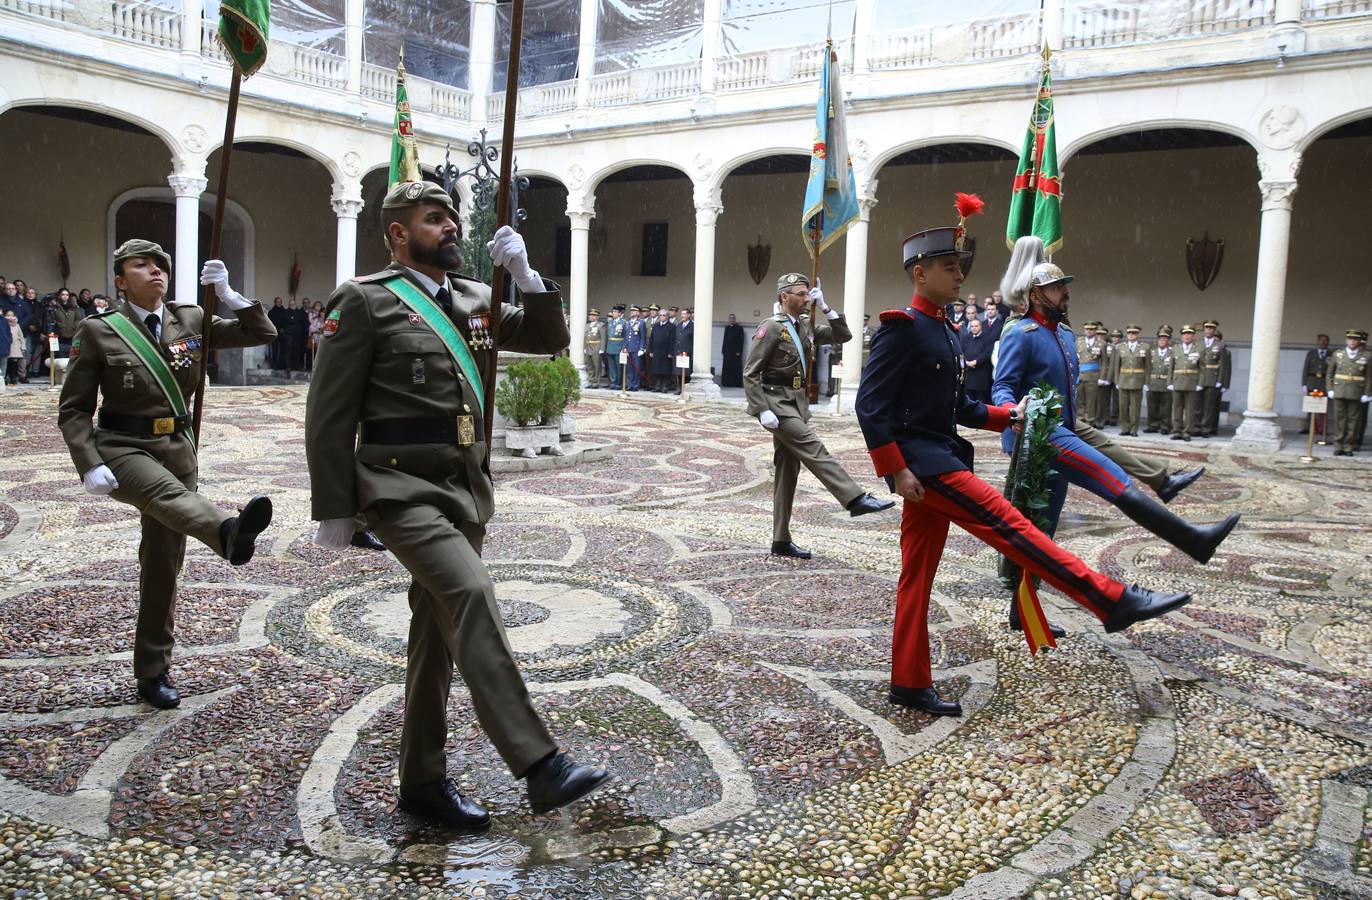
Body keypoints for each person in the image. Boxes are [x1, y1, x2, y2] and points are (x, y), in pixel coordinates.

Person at [305, 180, 608, 829]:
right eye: (433, 218)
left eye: (451, 218)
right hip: (397, 489)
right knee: (470, 594)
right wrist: (334, 506)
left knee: (434, 640)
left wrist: (525, 274)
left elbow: (546, 336)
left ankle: (421, 782)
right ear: (397, 233)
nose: (448, 228)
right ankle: (539, 764)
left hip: (463, 491)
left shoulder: (476, 299)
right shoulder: (364, 300)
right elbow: (328, 412)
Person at [857, 216, 1192, 717]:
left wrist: (1007, 414)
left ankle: (908, 680)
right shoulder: (901, 330)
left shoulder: (945, 331)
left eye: (960, 267)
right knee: (1013, 527)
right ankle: (1109, 599)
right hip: (926, 468)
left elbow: (958, 408)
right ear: (919, 273)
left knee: (916, 577)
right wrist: (895, 469)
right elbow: (871, 405)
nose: (959, 276)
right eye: (950, 268)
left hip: (938, 458)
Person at [57, 240, 276, 710]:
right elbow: (74, 409)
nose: (156, 271)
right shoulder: (100, 331)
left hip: (178, 448)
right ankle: (227, 530)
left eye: (161, 265)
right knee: (164, 496)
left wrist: (233, 296)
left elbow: (261, 333)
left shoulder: (192, 319)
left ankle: (152, 672)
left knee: (161, 566)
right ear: (120, 280)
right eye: (142, 265)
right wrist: (88, 460)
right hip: (122, 447)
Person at [993, 261, 1239, 602]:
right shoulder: (1021, 335)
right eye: (1056, 287)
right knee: (1113, 479)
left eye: (1065, 286)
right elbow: (1003, 385)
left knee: (1042, 529)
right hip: (1042, 436)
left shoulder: (1064, 333)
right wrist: (1011, 413)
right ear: (1035, 295)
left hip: (1065, 427)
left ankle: (1022, 611)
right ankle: (1194, 539)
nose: (1065, 292)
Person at [745, 272, 892, 558]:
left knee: (788, 472)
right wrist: (762, 409)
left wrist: (825, 306)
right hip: (777, 405)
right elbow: (750, 373)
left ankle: (780, 539)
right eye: (801, 294)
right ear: (784, 296)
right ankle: (855, 499)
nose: (805, 298)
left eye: (808, 293)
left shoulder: (803, 325)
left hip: (796, 405)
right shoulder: (772, 328)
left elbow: (843, 336)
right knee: (815, 448)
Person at [1327, 328, 1370, 456]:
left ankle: (1348, 446)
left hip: (1356, 392)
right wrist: (1329, 389)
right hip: (1339, 390)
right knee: (1339, 419)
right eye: (1350, 339)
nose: (1352, 342)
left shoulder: (1366, 356)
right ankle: (1338, 445)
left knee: (1353, 420)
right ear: (1346, 340)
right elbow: (1330, 373)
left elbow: (1369, 377)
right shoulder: (1338, 354)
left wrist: (1367, 393)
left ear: (1359, 342)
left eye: (1355, 339)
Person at [1196, 319, 1231, 438]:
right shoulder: (1198, 344)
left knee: (1208, 406)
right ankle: (1196, 427)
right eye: (1207, 328)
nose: (1209, 330)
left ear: (1214, 330)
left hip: (1212, 378)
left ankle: (1206, 428)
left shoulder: (1220, 345)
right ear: (1204, 329)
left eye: (1211, 328)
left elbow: (1223, 365)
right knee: (1197, 405)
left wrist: (1221, 381)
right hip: (1199, 378)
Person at [1169, 325, 1203, 441]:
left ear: (1193, 336)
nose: (1187, 336)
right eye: (1185, 334)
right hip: (1177, 381)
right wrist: (1170, 381)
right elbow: (1171, 367)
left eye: (1189, 334)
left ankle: (1187, 432)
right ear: (1182, 336)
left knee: (1190, 410)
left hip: (1191, 382)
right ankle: (1177, 431)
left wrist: (1200, 383)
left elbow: (1202, 368)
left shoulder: (1199, 348)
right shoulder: (1175, 348)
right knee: (1177, 408)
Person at [1114, 324, 1149, 436]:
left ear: (1137, 334)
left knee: (1135, 408)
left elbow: (1148, 366)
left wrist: (1146, 382)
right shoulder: (1120, 347)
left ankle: (1134, 429)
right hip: (1123, 379)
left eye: (1134, 333)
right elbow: (1116, 366)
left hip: (1137, 381)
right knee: (1123, 407)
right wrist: (1117, 380)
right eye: (1129, 333)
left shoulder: (1145, 347)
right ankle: (1124, 428)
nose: (1131, 335)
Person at [1301, 334, 1332, 438]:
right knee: (1311, 406)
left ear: (1328, 342)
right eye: (1321, 340)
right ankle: (1310, 428)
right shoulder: (1311, 353)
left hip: (1324, 383)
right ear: (1317, 342)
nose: (1323, 342)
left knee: (1324, 408)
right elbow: (1306, 369)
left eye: (1325, 341)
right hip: (1312, 382)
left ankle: (1322, 429)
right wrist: (1304, 384)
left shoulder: (1332, 354)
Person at [1145, 327, 1173, 433]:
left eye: (1164, 339)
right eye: (1160, 339)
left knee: (1165, 407)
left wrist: (1171, 382)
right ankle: (1153, 425)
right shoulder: (1152, 351)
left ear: (1168, 341)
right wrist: (1146, 382)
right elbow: (1147, 367)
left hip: (1165, 382)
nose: (1162, 341)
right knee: (1152, 406)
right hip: (1153, 382)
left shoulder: (1172, 352)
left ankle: (1165, 426)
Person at [1075, 321, 1104, 426]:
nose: (1088, 331)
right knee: (1080, 400)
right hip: (1080, 375)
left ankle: (1090, 421)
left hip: (1093, 376)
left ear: (1095, 331)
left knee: (1091, 401)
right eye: (1087, 329)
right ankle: (1080, 419)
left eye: (1091, 329)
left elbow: (1104, 362)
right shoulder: (1078, 341)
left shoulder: (1101, 343)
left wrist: (1102, 377)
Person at [959, 316, 993, 403]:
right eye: (972, 326)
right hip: (968, 372)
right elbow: (961, 351)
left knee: (980, 399)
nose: (974, 328)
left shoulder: (987, 337)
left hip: (981, 373)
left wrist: (975, 362)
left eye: (976, 326)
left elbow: (987, 353)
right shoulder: (966, 338)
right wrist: (966, 362)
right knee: (968, 398)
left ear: (981, 326)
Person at [647, 307, 675, 392]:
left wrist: (671, 352)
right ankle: (657, 385)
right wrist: (651, 350)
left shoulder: (672, 326)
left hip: (666, 352)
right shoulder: (656, 326)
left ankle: (665, 386)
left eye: (664, 315)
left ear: (667, 316)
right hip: (656, 351)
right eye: (660, 315)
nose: (662, 317)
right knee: (656, 369)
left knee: (665, 370)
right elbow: (652, 339)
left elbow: (673, 340)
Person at [624, 306, 647, 391]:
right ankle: (630, 384)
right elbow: (626, 337)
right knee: (629, 368)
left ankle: (635, 385)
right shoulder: (628, 323)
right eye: (631, 311)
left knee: (636, 368)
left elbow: (642, 337)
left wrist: (642, 348)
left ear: (638, 313)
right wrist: (624, 347)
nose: (632, 312)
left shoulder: (641, 323)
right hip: (629, 348)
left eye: (634, 311)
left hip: (636, 348)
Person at [720, 313, 745, 388]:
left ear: (735, 319)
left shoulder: (739, 328)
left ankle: (736, 383)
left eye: (733, 318)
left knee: (735, 368)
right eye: (730, 318)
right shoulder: (727, 328)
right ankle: (726, 383)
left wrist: (739, 351)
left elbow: (741, 341)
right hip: (727, 351)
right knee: (727, 368)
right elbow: (725, 340)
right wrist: (723, 350)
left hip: (735, 352)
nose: (731, 320)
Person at [584, 308, 606, 388]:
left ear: (597, 317)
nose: (591, 317)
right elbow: (585, 337)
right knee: (589, 365)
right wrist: (584, 347)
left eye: (593, 315)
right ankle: (590, 381)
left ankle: (596, 382)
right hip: (588, 347)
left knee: (596, 366)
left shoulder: (600, 325)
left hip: (596, 348)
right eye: (590, 315)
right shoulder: (587, 325)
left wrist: (602, 349)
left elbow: (603, 338)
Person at [605, 305, 626, 390]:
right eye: (613, 311)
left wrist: (624, 347)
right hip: (610, 346)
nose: (613, 313)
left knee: (618, 366)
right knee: (612, 366)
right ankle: (613, 382)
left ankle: (618, 383)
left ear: (620, 313)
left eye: (615, 312)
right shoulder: (610, 323)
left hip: (618, 346)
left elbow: (625, 336)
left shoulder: (624, 322)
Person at [267, 298, 289, 369]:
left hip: (283, 333)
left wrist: (284, 329)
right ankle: (274, 365)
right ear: (275, 302)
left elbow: (287, 322)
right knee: (274, 350)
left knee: (283, 350)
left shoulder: (285, 312)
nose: (279, 303)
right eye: (277, 302)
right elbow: (269, 322)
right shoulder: (271, 312)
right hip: (274, 333)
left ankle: (282, 365)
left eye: (280, 302)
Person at [675, 308, 695, 384]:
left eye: (684, 314)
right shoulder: (679, 325)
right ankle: (680, 387)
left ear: (689, 315)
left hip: (687, 351)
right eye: (681, 314)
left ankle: (685, 387)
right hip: (679, 351)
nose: (682, 315)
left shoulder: (692, 325)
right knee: (679, 371)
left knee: (686, 372)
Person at [5, 310, 23, 384]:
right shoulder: (4, 323)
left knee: (14, 363)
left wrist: (23, 347)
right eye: (8, 315)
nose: (10, 317)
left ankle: (14, 377)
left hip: (15, 346)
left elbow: (21, 336)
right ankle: (7, 376)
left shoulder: (17, 325)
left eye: (12, 315)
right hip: (7, 346)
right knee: (7, 362)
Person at [306, 300, 324, 372]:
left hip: (322, 339)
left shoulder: (327, 320)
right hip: (315, 338)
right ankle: (311, 367)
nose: (323, 313)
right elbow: (311, 327)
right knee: (313, 353)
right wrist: (318, 330)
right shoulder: (316, 319)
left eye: (324, 312)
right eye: (322, 312)